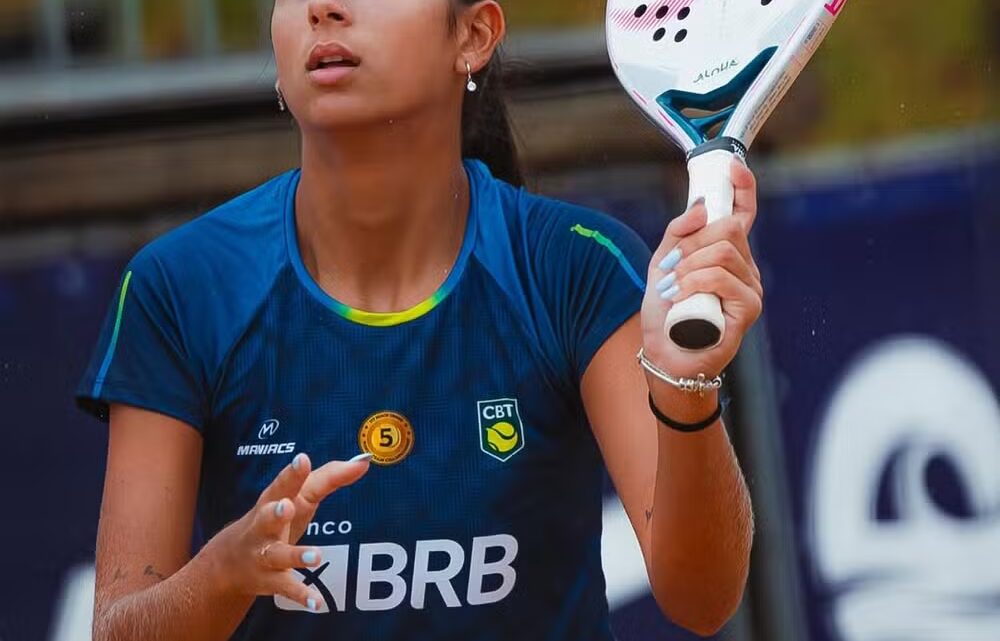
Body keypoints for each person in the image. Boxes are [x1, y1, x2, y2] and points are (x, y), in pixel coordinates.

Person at [75, 1, 762, 639]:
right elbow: (119, 625)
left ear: (473, 36)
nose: (323, 8)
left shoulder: (577, 267)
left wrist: (685, 397)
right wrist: (223, 573)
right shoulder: (181, 285)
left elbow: (703, 599)